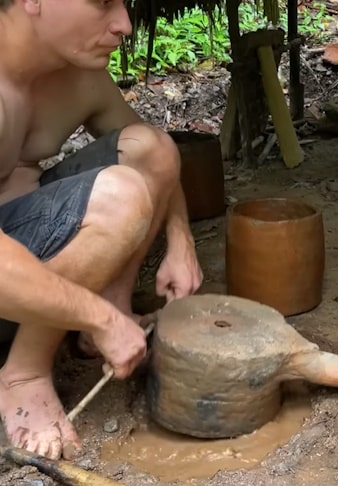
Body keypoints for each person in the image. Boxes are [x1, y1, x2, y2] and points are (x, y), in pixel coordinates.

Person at [0, 0, 203, 460]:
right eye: (102, 3)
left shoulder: (74, 70)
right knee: (120, 198)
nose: (124, 25)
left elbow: (156, 155)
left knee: (152, 148)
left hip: (29, 255)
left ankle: (105, 318)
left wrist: (180, 241)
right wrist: (98, 316)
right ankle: (23, 374)